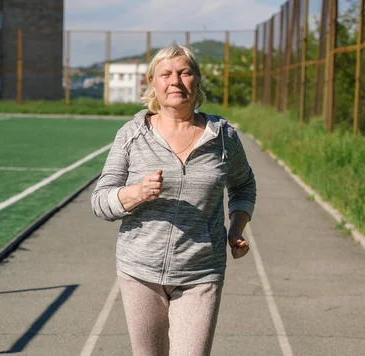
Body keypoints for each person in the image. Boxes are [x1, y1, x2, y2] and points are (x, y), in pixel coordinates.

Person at [91, 44, 257, 356]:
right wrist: (136, 193)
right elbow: (100, 200)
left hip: (200, 272)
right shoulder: (131, 134)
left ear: (197, 80)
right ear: (153, 83)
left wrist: (236, 228)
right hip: (140, 271)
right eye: (166, 74)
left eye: (185, 72)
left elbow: (244, 185)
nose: (175, 81)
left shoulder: (222, 136)